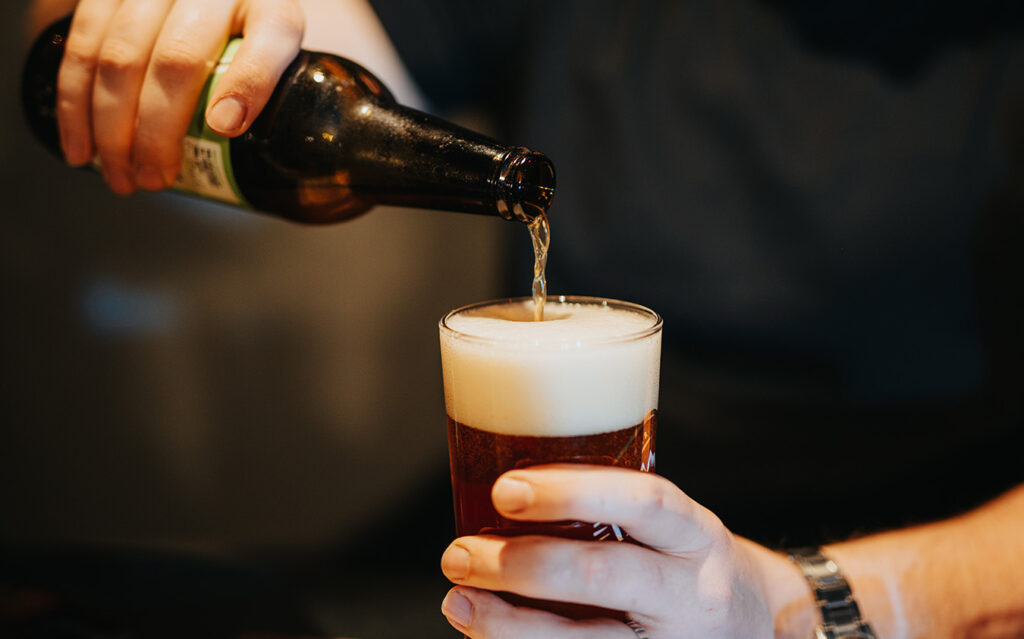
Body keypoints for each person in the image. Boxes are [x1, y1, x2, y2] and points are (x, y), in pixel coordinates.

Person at [25, 0, 1024, 637]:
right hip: (503, 565)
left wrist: (809, 604)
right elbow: (314, 48)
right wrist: (169, 35)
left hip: (898, 560)